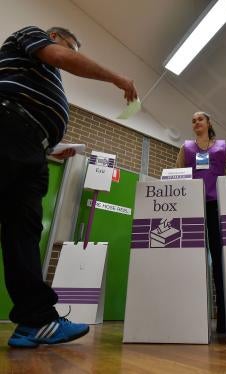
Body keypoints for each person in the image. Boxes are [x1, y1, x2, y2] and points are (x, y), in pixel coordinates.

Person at [0, 26, 137, 348]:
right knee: (22, 231)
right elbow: (60, 56)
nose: (70, 56)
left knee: (24, 233)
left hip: (33, 148)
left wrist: (50, 147)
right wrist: (118, 78)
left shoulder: (46, 76)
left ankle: (36, 321)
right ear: (54, 36)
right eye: (71, 47)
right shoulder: (31, 36)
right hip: (8, 125)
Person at [176, 111, 226, 334]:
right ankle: (192, 316)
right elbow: (178, 175)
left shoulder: (222, 146)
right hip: (193, 207)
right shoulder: (186, 148)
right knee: (193, 258)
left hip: (216, 206)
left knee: (219, 260)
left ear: (209, 122)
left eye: (200, 119)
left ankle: (223, 318)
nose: (196, 122)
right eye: (192, 120)